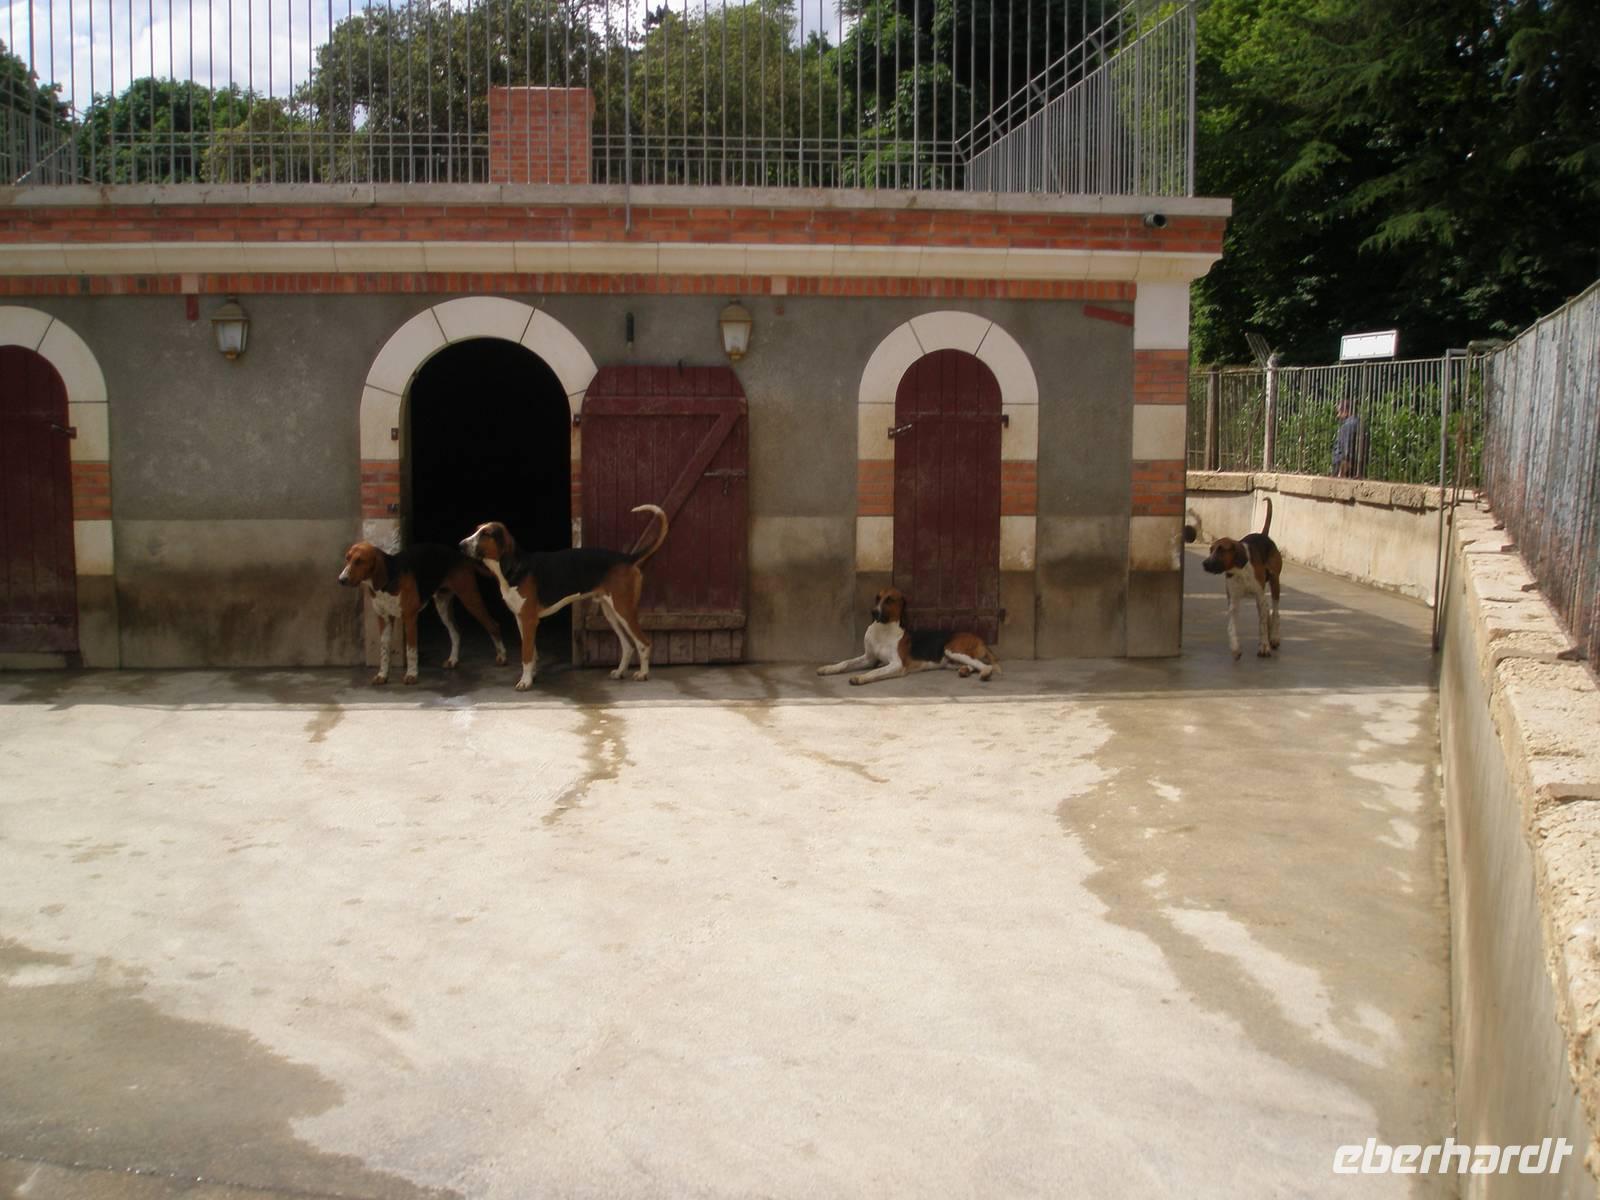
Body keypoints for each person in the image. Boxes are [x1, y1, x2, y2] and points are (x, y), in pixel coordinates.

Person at [1332, 399, 1364, 478]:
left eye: (1339, 412)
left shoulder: (1348, 426)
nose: (1338, 415)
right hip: (1357, 468)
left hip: (1345, 471)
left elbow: (1347, 452)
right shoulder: (1361, 424)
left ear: (1346, 411)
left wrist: (1341, 473)